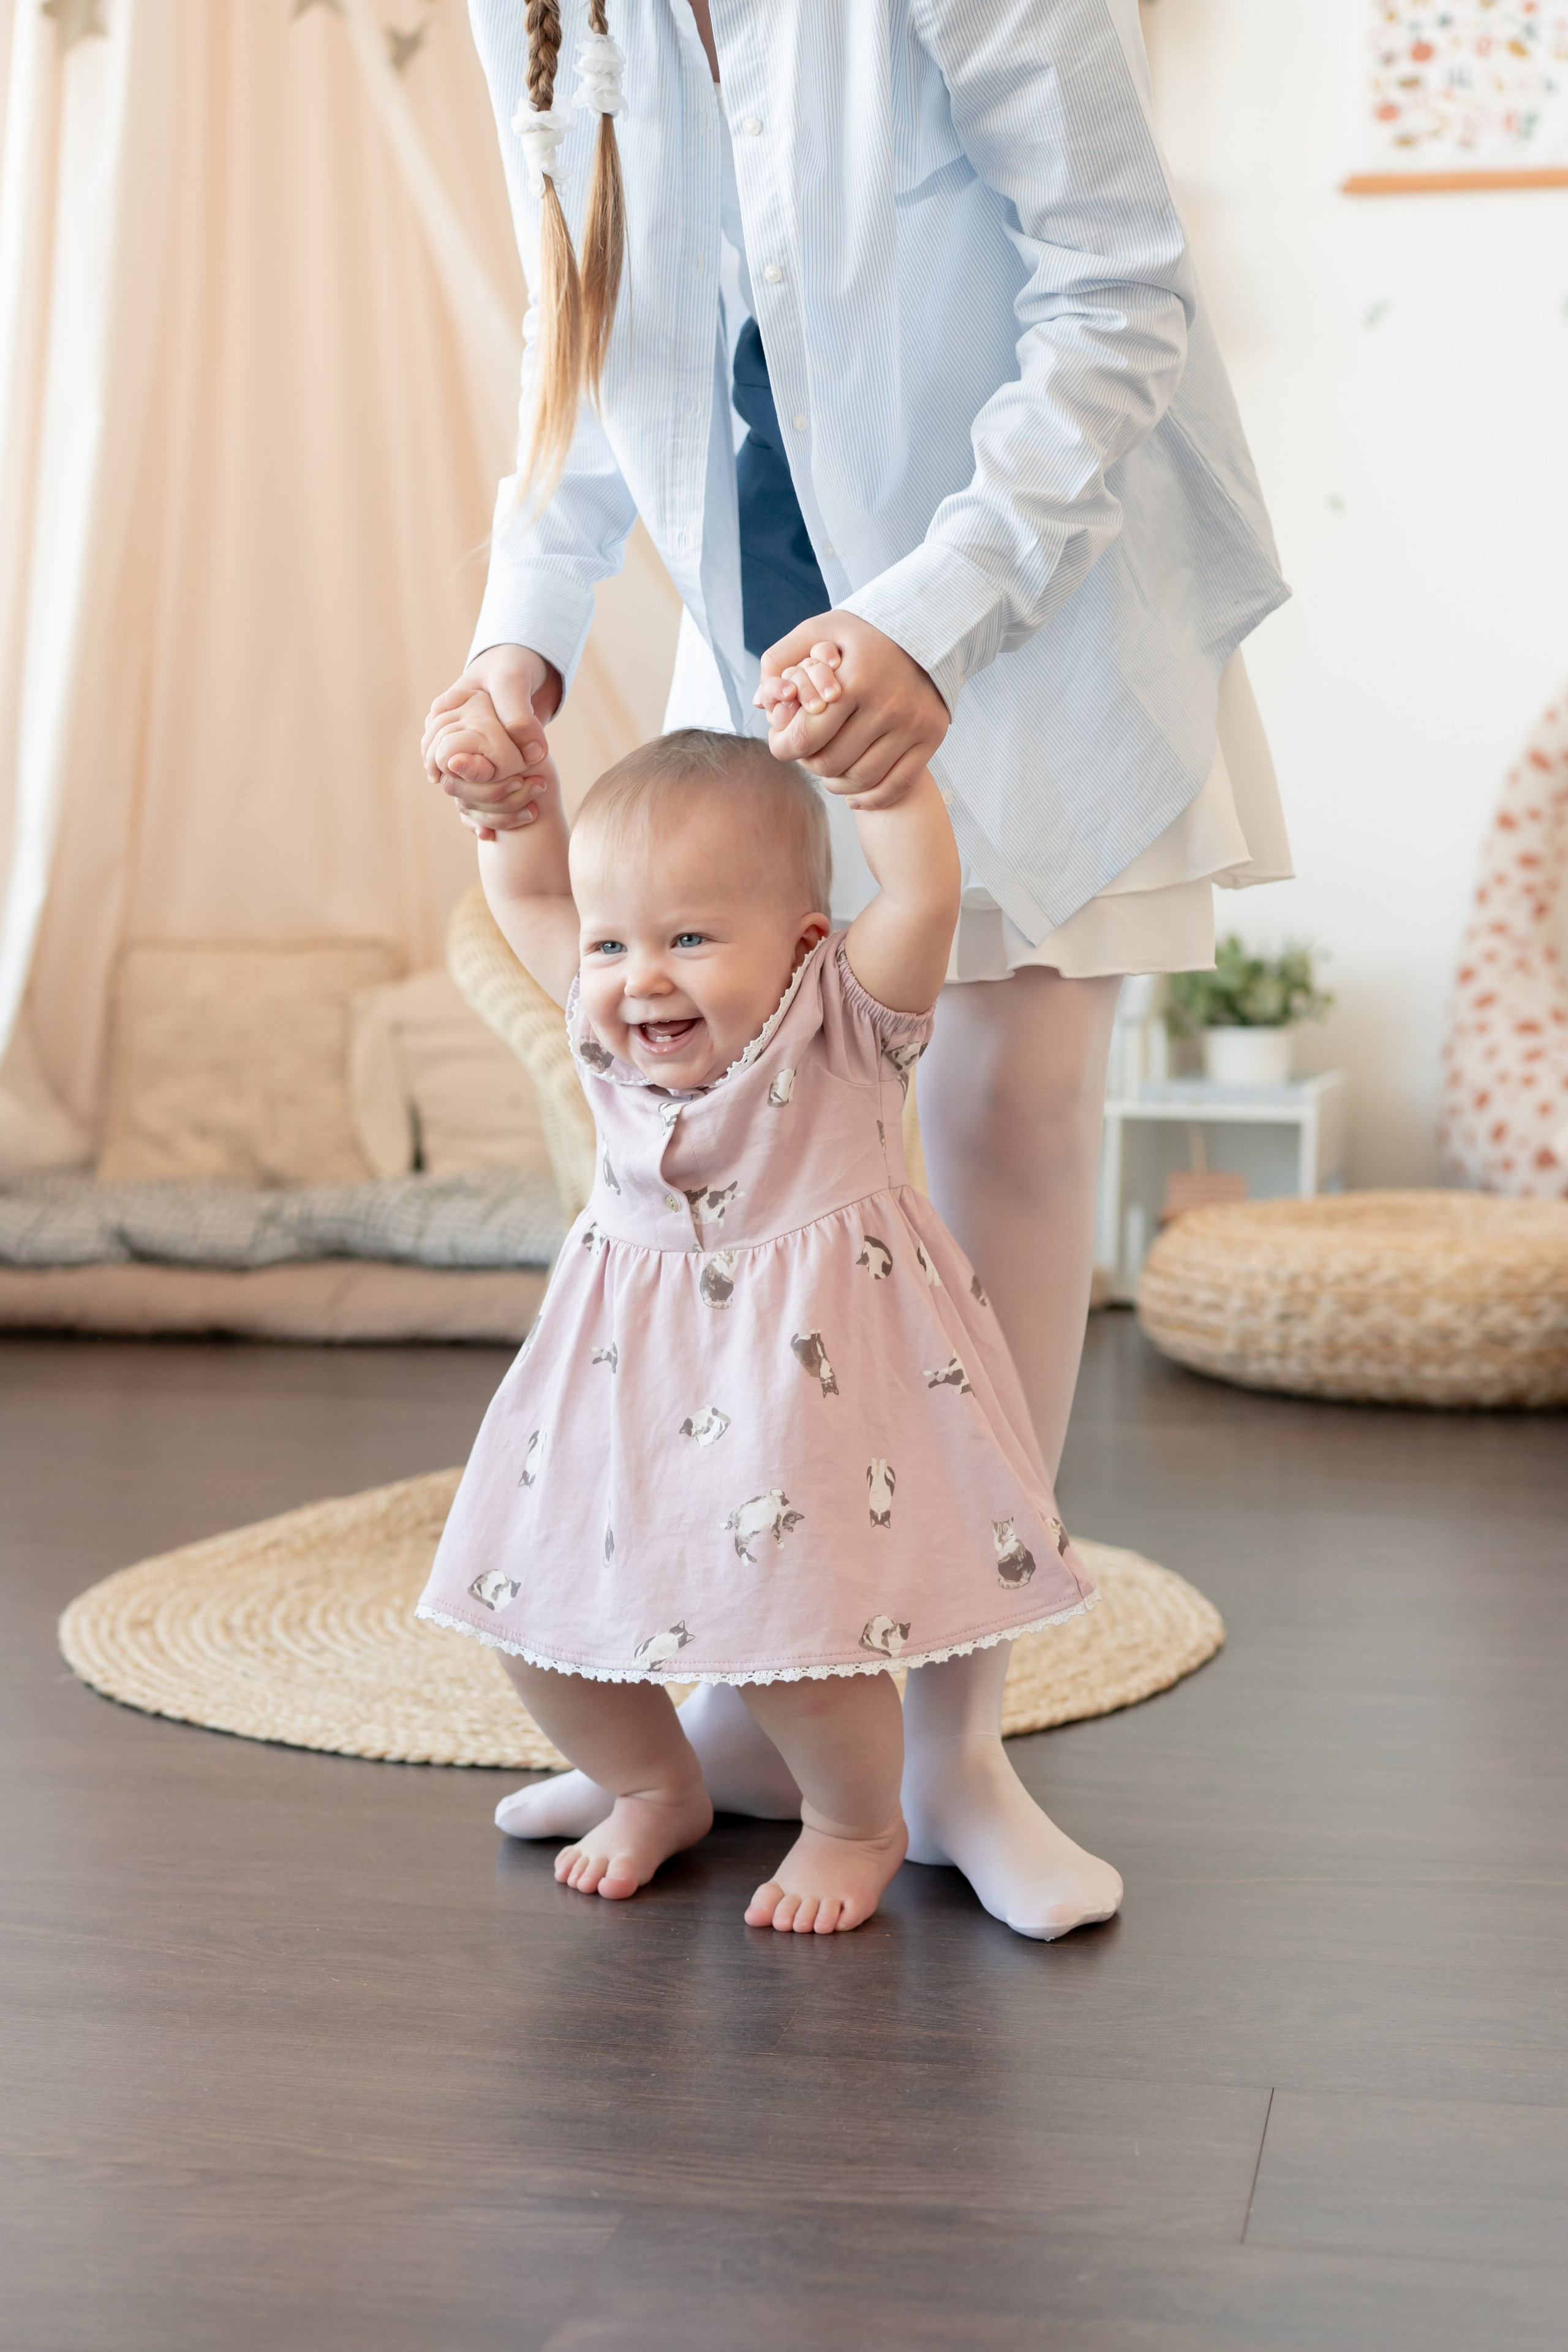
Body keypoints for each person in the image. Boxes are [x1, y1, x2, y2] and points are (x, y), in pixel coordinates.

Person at [422, 0, 1291, 1939]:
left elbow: (1116, 288)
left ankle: (951, 1742)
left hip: (1033, 592)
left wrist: (933, 616)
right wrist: (521, 647)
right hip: (774, 642)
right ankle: (743, 1680)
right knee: (758, 1192)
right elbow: (587, 335)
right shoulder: (537, 12)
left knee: (997, 1131)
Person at [415, 712, 1113, 1935]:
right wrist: (503, 802)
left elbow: (920, 893)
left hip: (798, 1399)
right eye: (615, 944)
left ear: (800, 948)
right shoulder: (599, 1029)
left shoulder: (841, 1027)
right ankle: (652, 1782)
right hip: (613, 1394)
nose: (641, 979)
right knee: (522, 1610)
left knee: (800, 1635)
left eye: (688, 939)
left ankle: (856, 1821)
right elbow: (528, 885)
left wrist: (884, 781)